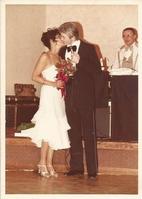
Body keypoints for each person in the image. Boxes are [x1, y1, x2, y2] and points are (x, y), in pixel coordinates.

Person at [16, 28, 70, 177]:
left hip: (59, 96)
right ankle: (42, 163)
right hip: (49, 93)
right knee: (48, 126)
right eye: (59, 37)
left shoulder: (61, 58)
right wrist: (53, 84)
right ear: (53, 40)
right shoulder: (45, 56)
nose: (62, 39)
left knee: (55, 127)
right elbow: (34, 76)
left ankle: (49, 163)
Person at [59, 22, 102, 179]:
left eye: (63, 37)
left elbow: (97, 73)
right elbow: (62, 72)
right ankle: (76, 167)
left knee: (89, 134)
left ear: (72, 36)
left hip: (85, 98)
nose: (61, 39)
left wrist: (80, 62)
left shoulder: (90, 49)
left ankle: (92, 170)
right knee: (73, 133)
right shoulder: (63, 50)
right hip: (69, 97)